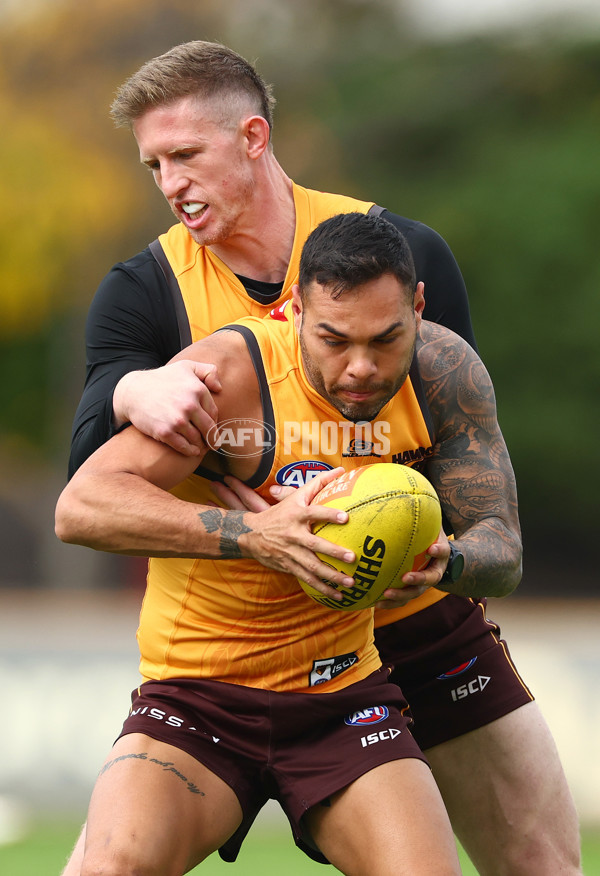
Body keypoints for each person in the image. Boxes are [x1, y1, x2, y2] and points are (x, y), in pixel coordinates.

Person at [64, 41, 581, 876]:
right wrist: (131, 391)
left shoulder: (402, 253)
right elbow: (87, 479)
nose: (169, 183)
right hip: (231, 645)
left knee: (543, 862)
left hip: (406, 622)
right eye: (153, 163)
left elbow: (457, 461)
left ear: (254, 138)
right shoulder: (149, 291)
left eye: (186, 155)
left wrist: (426, 548)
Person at [56, 214, 469, 875]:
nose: (361, 367)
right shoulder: (229, 375)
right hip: (200, 700)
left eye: (385, 339)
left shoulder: (446, 374)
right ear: (298, 308)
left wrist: (448, 555)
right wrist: (253, 534)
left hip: (346, 699)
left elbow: (499, 536)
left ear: (418, 310)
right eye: (334, 340)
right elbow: (81, 508)